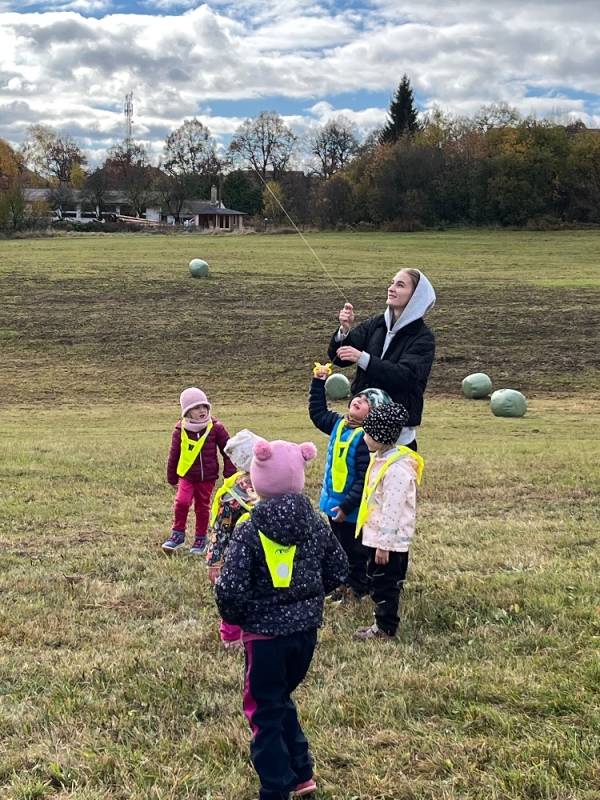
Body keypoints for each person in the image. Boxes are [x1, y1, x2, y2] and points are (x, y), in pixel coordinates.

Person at [215, 438, 348, 800]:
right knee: (279, 697)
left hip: (265, 639)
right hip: (305, 636)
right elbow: (338, 568)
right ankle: (302, 773)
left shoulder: (248, 529)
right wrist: (308, 601)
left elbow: (229, 588)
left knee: (264, 711)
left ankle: (275, 788)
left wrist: (241, 619)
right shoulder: (317, 523)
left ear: (257, 480)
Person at [309, 363, 393, 602]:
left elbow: (364, 479)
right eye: (358, 397)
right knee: (336, 548)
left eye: (366, 401)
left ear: (374, 414)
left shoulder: (365, 440)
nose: (359, 400)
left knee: (354, 550)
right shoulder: (339, 423)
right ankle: (342, 584)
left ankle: (358, 587)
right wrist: (318, 383)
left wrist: (347, 506)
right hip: (332, 503)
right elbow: (317, 412)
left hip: (351, 508)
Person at [328, 268, 436, 451]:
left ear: (415, 297)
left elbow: (405, 376)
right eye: (392, 283)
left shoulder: (423, 338)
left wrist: (364, 358)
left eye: (400, 285)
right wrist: (344, 332)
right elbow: (340, 359)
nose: (391, 288)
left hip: (398, 436)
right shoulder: (375, 324)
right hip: (363, 428)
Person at [352, 402, 424, 642]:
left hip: (389, 544)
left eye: (368, 433)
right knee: (378, 581)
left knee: (385, 586)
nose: (364, 436)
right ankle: (379, 623)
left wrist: (384, 545)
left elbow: (392, 510)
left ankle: (385, 628)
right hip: (378, 538)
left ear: (380, 437)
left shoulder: (396, 470)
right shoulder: (382, 459)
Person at [205, 429, 262, 651]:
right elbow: (220, 530)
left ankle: (253, 631)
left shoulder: (269, 486)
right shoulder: (232, 496)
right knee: (233, 595)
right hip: (233, 560)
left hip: (260, 557)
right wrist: (214, 560)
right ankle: (230, 636)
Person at [163, 387, 236, 554]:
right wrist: (172, 478)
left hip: (207, 478)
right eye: (196, 408)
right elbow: (174, 454)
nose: (202, 410)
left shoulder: (216, 428)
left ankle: (200, 539)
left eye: (205, 406)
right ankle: (177, 535)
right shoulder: (180, 430)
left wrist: (229, 473)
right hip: (187, 476)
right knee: (181, 502)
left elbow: (228, 450)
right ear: (187, 412)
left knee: (202, 507)